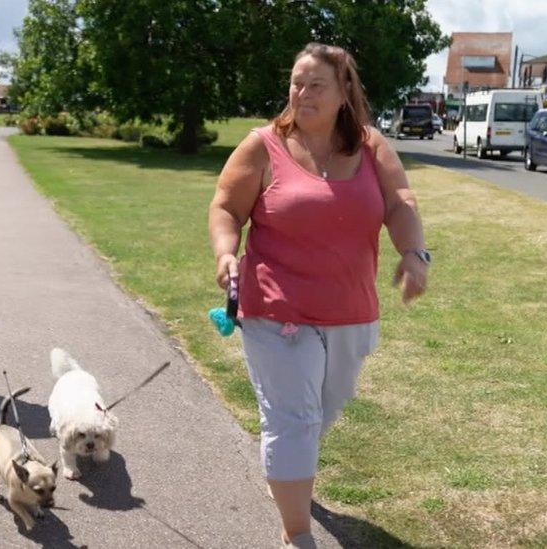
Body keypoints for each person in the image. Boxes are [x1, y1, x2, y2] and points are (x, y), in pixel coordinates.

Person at [207, 43, 428, 548]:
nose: (301, 93)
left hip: (350, 312)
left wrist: (415, 254)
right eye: (295, 82)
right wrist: (225, 253)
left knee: (322, 412)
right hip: (275, 308)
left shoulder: (370, 146)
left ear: (344, 91)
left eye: (315, 85)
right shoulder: (264, 145)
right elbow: (225, 207)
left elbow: (400, 202)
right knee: (294, 418)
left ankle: (290, 471)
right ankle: (297, 532)